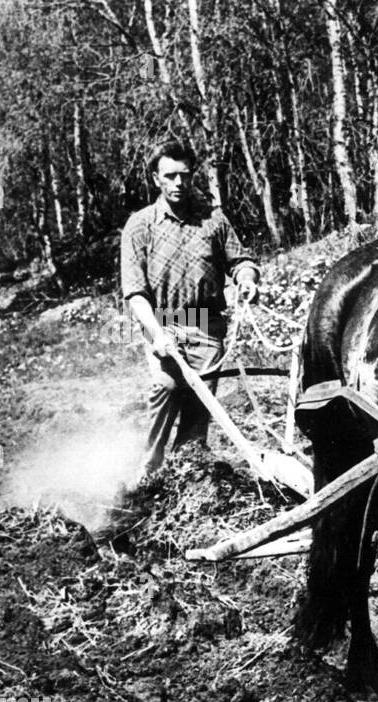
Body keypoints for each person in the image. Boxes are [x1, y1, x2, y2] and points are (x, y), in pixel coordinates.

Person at [120, 139, 259, 478]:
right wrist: (156, 334)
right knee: (166, 388)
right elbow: (135, 293)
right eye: (170, 176)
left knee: (201, 401)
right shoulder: (140, 225)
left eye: (184, 175)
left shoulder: (213, 220)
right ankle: (148, 470)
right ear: (156, 178)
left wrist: (247, 278)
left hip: (207, 324)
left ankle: (188, 471)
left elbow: (240, 260)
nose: (178, 183)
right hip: (163, 321)